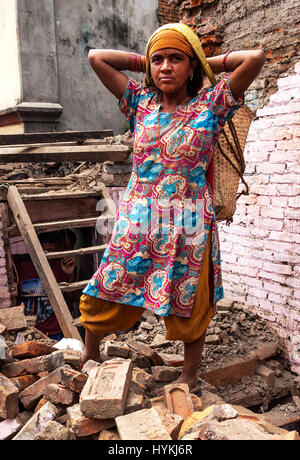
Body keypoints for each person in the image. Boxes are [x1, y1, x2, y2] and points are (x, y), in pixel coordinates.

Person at [79, 23, 266, 390]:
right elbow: (96, 57)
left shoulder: (212, 105)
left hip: (190, 227)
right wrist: (145, 58)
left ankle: (188, 376)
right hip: (138, 224)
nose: (166, 67)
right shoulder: (139, 103)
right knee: (108, 286)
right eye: (158, 60)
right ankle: (89, 357)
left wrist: (201, 58)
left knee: (191, 301)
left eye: (176, 59)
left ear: (192, 67)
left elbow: (255, 58)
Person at [16, 230, 76, 341]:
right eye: (45, 250)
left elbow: (73, 298)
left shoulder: (59, 268)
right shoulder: (20, 269)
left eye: (52, 251)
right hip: (29, 331)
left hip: (55, 332)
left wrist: (70, 276)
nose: (48, 255)